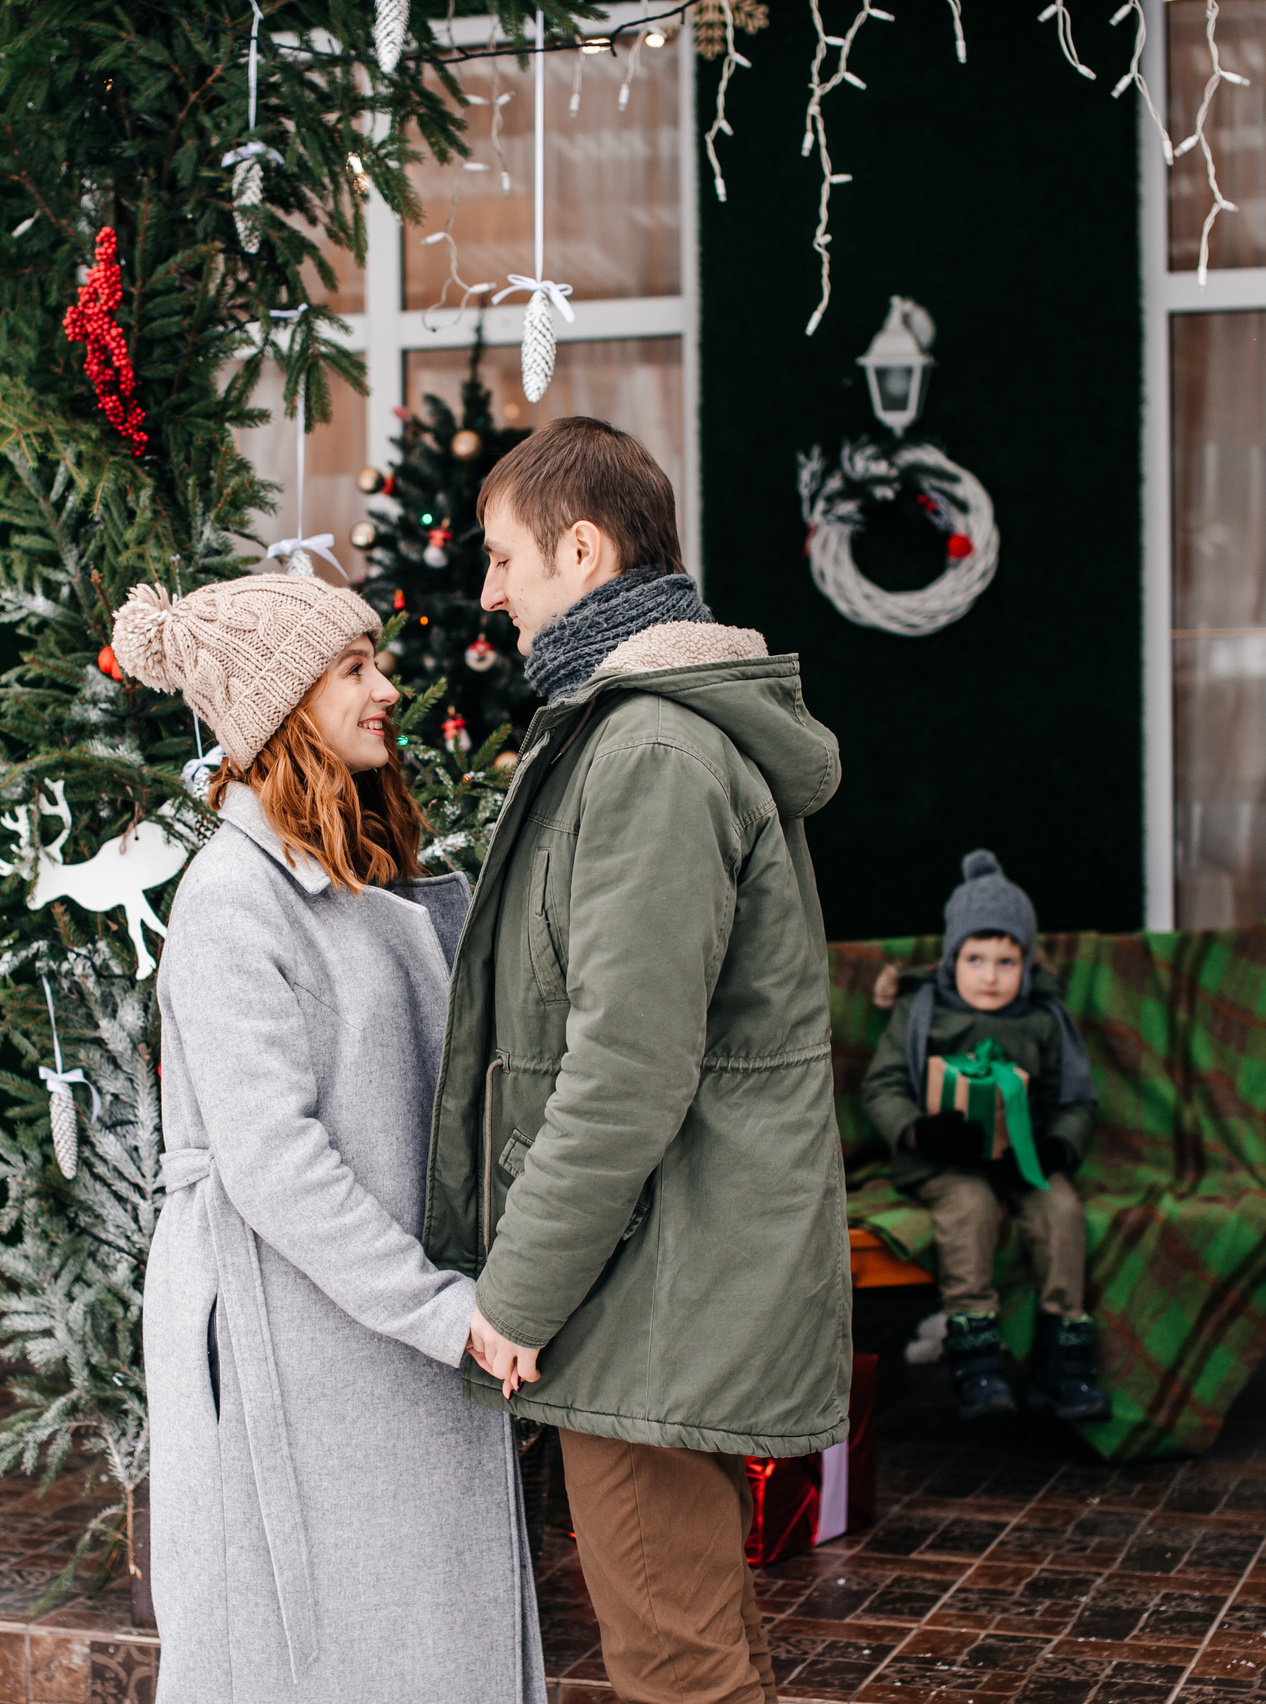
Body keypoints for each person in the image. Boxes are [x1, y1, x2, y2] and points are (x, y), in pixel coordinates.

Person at [419, 416, 851, 1704]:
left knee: (676, 1668)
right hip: (663, 1272)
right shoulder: (625, 733)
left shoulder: (650, 751)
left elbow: (625, 1066)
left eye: (503, 558)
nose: (487, 594)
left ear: (582, 550)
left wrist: (516, 1295)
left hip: (658, 1286)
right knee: (700, 1649)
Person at [114, 573, 542, 1704]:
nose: (386, 688)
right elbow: (275, 1166)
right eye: (353, 669)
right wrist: (444, 1311)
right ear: (283, 706)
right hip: (292, 1330)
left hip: (378, 1324)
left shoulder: (363, 875)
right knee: (306, 1647)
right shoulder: (232, 900)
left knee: (417, 1634)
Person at [858, 851, 1107, 1424]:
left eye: (1006, 961)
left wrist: (1056, 1147)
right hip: (945, 1161)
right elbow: (883, 1087)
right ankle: (976, 1359)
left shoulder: (1044, 1018)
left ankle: (1062, 1361)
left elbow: (1076, 1100)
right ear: (952, 958)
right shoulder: (921, 1010)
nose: (990, 976)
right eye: (975, 959)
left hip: (1023, 1158)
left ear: (1027, 962)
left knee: (1062, 1210)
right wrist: (918, 1130)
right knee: (970, 1207)